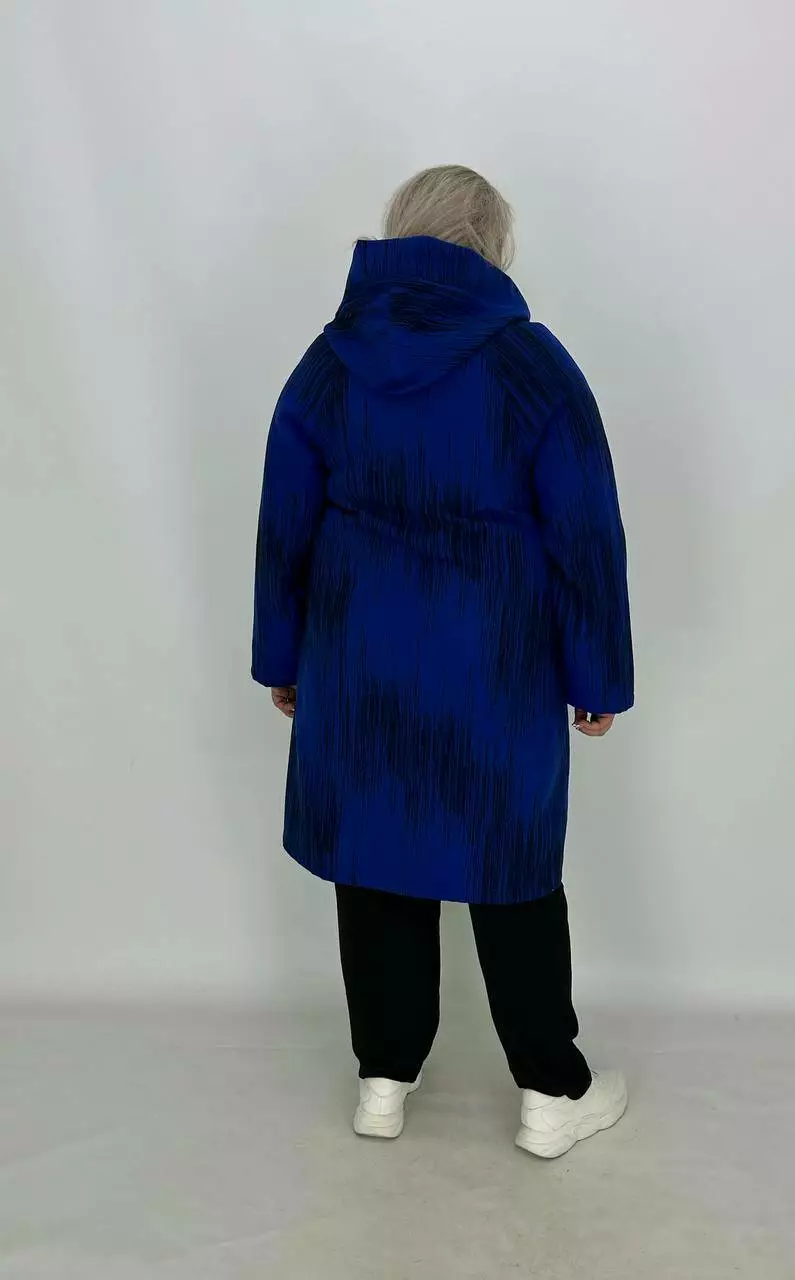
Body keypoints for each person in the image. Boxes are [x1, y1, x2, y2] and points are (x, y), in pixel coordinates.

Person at [252, 165, 634, 1159]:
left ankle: (382, 1077)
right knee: (512, 868)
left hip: (359, 659)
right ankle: (551, 1089)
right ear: (493, 244)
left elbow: (285, 523)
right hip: (493, 662)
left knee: (374, 855)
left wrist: (284, 657)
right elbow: (585, 532)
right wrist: (597, 674)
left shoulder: (331, 361)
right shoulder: (531, 366)